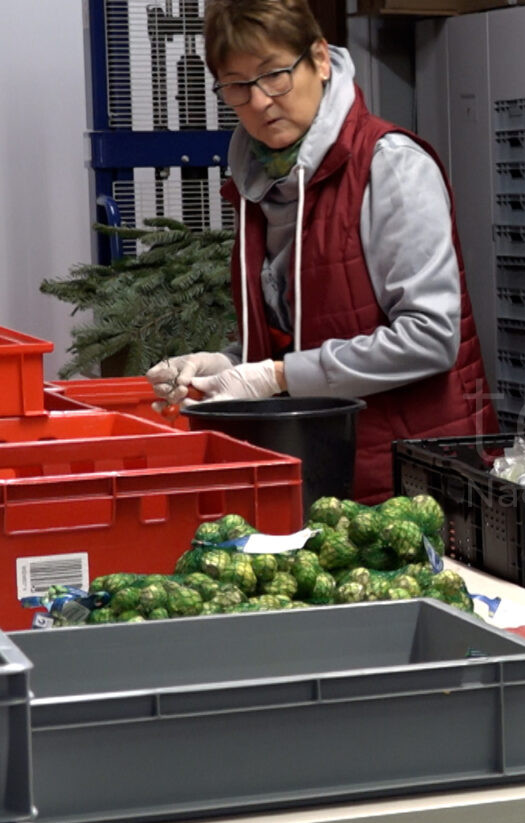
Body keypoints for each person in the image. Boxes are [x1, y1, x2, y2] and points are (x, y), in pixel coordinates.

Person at [148, 0, 496, 504]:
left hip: (415, 484)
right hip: (325, 475)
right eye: (237, 86)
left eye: (275, 75)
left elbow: (431, 336)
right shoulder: (259, 186)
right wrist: (223, 364)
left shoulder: (391, 165)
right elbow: (306, 334)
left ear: (320, 59)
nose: (261, 101)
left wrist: (276, 375)